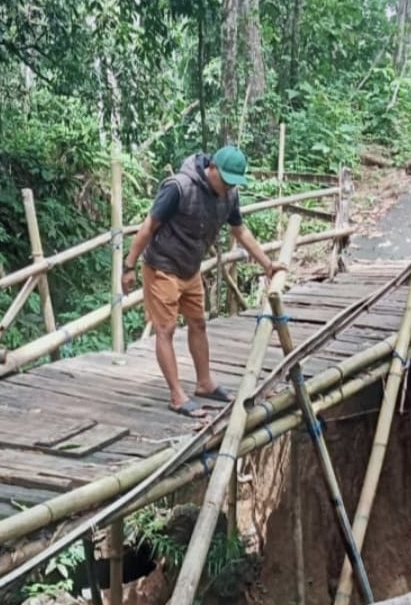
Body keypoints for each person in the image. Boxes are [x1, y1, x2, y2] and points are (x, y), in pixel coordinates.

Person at [121, 145, 288, 419]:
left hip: (190, 268)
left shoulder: (229, 195)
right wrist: (128, 266)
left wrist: (268, 264)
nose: (227, 188)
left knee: (198, 323)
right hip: (162, 266)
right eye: (225, 181)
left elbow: (240, 230)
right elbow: (148, 226)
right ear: (211, 168)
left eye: (233, 183)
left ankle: (204, 382)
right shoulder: (179, 187)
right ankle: (177, 396)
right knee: (166, 329)